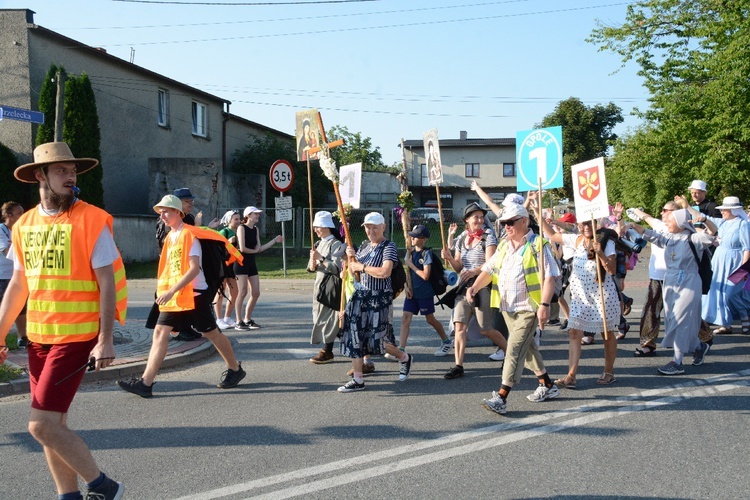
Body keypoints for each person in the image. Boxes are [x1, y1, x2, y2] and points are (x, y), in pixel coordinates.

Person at [0, 142, 127, 499]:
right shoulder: (23, 224)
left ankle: (105, 488)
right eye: (61, 171)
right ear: (40, 175)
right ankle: (67, 496)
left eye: (72, 171)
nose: (70, 177)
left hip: (76, 337)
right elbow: (18, 285)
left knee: (40, 426)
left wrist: (106, 338)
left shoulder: (91, 219)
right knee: (55, 426)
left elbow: (107, 283)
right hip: (39, 339)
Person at [118, 194, 245, 397]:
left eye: (166, 211)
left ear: (178, 212)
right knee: (160, 332)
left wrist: (170, 291)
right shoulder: (170, 237)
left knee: (211, 333)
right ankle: (145, 383)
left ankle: (235, 370)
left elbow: (194, 269)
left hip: (194, 296)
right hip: (176, 298)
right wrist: (164, 292)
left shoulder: (189, 235)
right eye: (160, 213)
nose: (162, 216)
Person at [467, 204, 561, 415]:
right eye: (503, 223)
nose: (506, 226)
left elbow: (550, 278)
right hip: (508, 307)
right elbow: (489, 271)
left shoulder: (538, 245)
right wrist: (474, 287)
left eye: (510, 222)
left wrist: (544, 306)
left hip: (529, 308)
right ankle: (547, 384)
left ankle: (501, 396)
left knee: (514, 349)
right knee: (528, 349)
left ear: (524, 221)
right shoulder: (503, 246)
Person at [629, 209, 716, 373]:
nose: (666, 223)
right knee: (672, 320)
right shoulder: (670, 238)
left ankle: (677, 361)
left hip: (689, 282)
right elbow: (651, 235)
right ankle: (699, 346)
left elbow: (712, 232)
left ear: (681, 223)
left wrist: (704, 219)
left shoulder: (694, 238)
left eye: (670, 220)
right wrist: (632, 225)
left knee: (681, 320)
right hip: (670, 281)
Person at [337, 212, 413, 392]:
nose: (371, 231)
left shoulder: (389, 247)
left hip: (380, 297)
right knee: (356, 336)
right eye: (368, 227)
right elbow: (354, 274)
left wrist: (361, 266)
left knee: (378, 339)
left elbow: (385, 272)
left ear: (383, 227)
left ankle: (404, 357)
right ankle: (358, 379)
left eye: (375, 227)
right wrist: (350, 259)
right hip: (360, 296)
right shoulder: (364, 246)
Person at [540, 216, 619, 387]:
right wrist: (537, 212)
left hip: (602, 295)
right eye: (583, 223)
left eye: (589, 223)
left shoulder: (606, 241)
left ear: (596, 223)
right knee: (575, 332)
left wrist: (601, 254)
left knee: (607, 333)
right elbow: (553, 236)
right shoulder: (577, 240)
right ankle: (571, 376)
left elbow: (611, 270)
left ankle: (609, 371)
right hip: (580, 296)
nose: (586, 226)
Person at [441, 203, 507, 379]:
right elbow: (458, 266)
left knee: (485, 328)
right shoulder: (462, 238)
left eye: (481, 216)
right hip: (463, 288)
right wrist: (449, 258)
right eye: (475, 217)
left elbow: (491, 263)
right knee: (459, 327)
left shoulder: (488, 236)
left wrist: (474, 272)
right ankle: (458, 365)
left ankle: (511, 354)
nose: (479, 219)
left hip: (482, 286)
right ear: (467, 220)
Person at [681, 196, 750, 334]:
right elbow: (702, 217)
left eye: (725, 209)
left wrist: (744, 269)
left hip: (735, 261)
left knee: (731, 293)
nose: (722, 211)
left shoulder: (742, 224)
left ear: (733, 210)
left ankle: (744, 315)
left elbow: (747, 247)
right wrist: (687, 206)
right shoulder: (723, 222)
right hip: (719, 260)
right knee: (718, 292)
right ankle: (725, 323)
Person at [400, 224, 451, 356]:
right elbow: (408, 273)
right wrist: (406, 286)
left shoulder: (426, 253)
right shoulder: (410, 252)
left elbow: (425, 275)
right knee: (405, 319)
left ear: (423, 239)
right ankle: (401, 350)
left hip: (424, 293)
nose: (412, 238)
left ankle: (446, 341)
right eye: (412, 236)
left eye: (415, 237)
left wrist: (411, 264)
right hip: (412, 293)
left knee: (430, 320)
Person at [233, 206, 283, 330]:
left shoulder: (255, 229)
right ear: (248, 215)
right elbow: (242, 248)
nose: (258, 216)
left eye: (258, 214)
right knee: (243, 292)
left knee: (256, 292)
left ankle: (247, 319)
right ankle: (238, 321)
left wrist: (274, 241)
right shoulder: (241, 228)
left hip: (251, 263)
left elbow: (259, 249)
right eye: (255, 214)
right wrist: (255, 250)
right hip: (240, 263)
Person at [308, 211, 345, 364]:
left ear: (327, 227)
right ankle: (356, 344)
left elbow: (336, 268)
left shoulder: (335, 243)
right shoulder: (317, 244)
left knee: (329, 320)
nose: (316, 230)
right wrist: (312, 264)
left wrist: (321, 259)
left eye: (319, 227)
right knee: (319, 318)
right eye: (315, 227)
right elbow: (311, 268)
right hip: (319, 286)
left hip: (331, 287)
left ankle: (327, 350)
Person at [0, 201, 28, 348]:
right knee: (4, 309)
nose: (22, 216)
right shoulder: (1, 230)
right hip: (2, 276)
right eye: (19, 214)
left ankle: (22, 337)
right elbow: (7, 252)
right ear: (9, 216)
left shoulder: (21, 230)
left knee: (20, 308)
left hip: (16, 275)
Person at [215, 210, 241, 330]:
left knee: (234, 291)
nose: (238, 221)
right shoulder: (224, 231)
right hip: (222, 265)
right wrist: (228, 243)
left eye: (239, 219)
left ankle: (227, 317)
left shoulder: (237, 232)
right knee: (221, 292)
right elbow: (216, 246)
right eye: (235, 219)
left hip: (230, 266)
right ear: (229, 220)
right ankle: (219, 319)